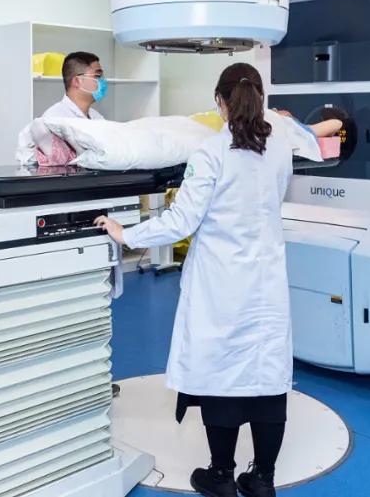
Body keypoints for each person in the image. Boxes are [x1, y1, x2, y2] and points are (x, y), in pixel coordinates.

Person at [95, 62, 292, 497]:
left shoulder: (210, 153)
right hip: (266, 283)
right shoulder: (280, 148)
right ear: (260, 98)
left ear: (220, 101)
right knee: (266, 376)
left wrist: (126, 234)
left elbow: (180, 222)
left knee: (220, 375)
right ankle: (262, 479)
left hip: (221, 285)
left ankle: (220, 475)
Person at [42, 51, 107, 120]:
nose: (102, 81)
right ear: (77, 81)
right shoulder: (53, 118)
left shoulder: (98, 117)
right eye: (97, 76)